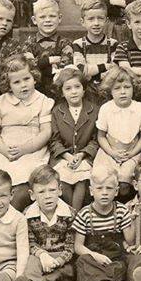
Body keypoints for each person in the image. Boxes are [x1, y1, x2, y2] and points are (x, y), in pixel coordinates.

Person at [0, 55, 54, 212]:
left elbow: (45, 132)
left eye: (26, 79)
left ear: (34, 78)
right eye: (16, 82)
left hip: (31, 148)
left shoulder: (42, 101)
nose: (23, 85)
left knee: (25, 178)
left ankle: (13, 217)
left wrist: (24, 149)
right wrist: (3, 150)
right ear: (8, 85)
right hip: (4, 147)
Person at [71, 168, 136, 281]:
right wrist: (95, 256)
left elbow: (130, 240)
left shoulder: (121, 211)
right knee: (82, 261)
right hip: (93, 259)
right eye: (99, 188)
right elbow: (78, 247)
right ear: (91, 191)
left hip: (113, 259)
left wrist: (131, 220)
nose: (105, 192)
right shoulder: (85, 214)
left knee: (120, 266)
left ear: (117, 191)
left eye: (109, 188)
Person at [14, 165, 76, 281]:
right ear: (32, 194)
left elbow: (70, 246)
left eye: (52, 190)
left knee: (67, 271)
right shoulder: (27, 215)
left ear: (60, 190)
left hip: (62, 258)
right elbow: (30, 242)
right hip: (40, 257)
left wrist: (58, 260)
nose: (48, 196)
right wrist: (42, 255)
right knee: (29, 265)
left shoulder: (70, 215)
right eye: (41, 191)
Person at [93, 67, 141, 201]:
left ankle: (124, 210)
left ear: (133, 88)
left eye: (127, 87)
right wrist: (112, 153)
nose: (123, 92)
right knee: (102, 178)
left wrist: (132, 153)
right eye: (117, 88)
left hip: (132, 152)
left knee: (124, 180)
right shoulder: (106, 108)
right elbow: (100, 136)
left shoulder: (140, 108)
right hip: (109, 151)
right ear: (110, 91)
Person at [49, 67, 99, 210]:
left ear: (84, 90)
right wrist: (68, 156)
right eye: (68, 88)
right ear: (62, 93)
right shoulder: (57, 111)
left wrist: (82, 154)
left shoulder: (94, 110)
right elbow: (54, 140)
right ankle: (73, 214)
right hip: (63, 157)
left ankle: (75, 216)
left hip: (85, 156)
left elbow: (96, 139)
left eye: (77, 87)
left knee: (82, 180)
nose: (74, 91)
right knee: (62, 179)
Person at [21, 0, 74, 96]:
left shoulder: (65, 43)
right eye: (42, 17)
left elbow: (65, 67)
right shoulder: (30, 43)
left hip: (58, 92)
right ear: (34, 20)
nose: (48, 20)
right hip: (34, 92)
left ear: (60, 18)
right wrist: (50, 60)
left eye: (52, 16)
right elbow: (27, 66)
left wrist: (39, 65)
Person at [72, 0, 118, 86]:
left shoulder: (113, 44)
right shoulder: (78, 44)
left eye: (100, 18)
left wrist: (92, 72)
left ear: (106, 21)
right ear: (82, 22)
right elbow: (81, 71)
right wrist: (103, 67)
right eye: (91, 19)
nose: (96, 23)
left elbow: (114, 70)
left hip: (107, 87)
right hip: (86, 89)